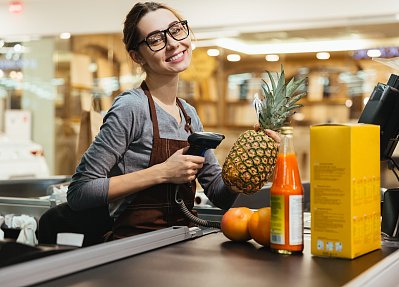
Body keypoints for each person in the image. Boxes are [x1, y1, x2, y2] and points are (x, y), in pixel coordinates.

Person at [39, 1, 280, 244]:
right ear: (137, 56)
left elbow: (220, 195)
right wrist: (162, 172)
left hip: (180, 243)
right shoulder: (132, 108)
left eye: (175, 30)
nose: (173, 43)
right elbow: (80, 192)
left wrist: (250, 164)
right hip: (132, 249)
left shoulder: (188, 114)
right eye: (156, 39)